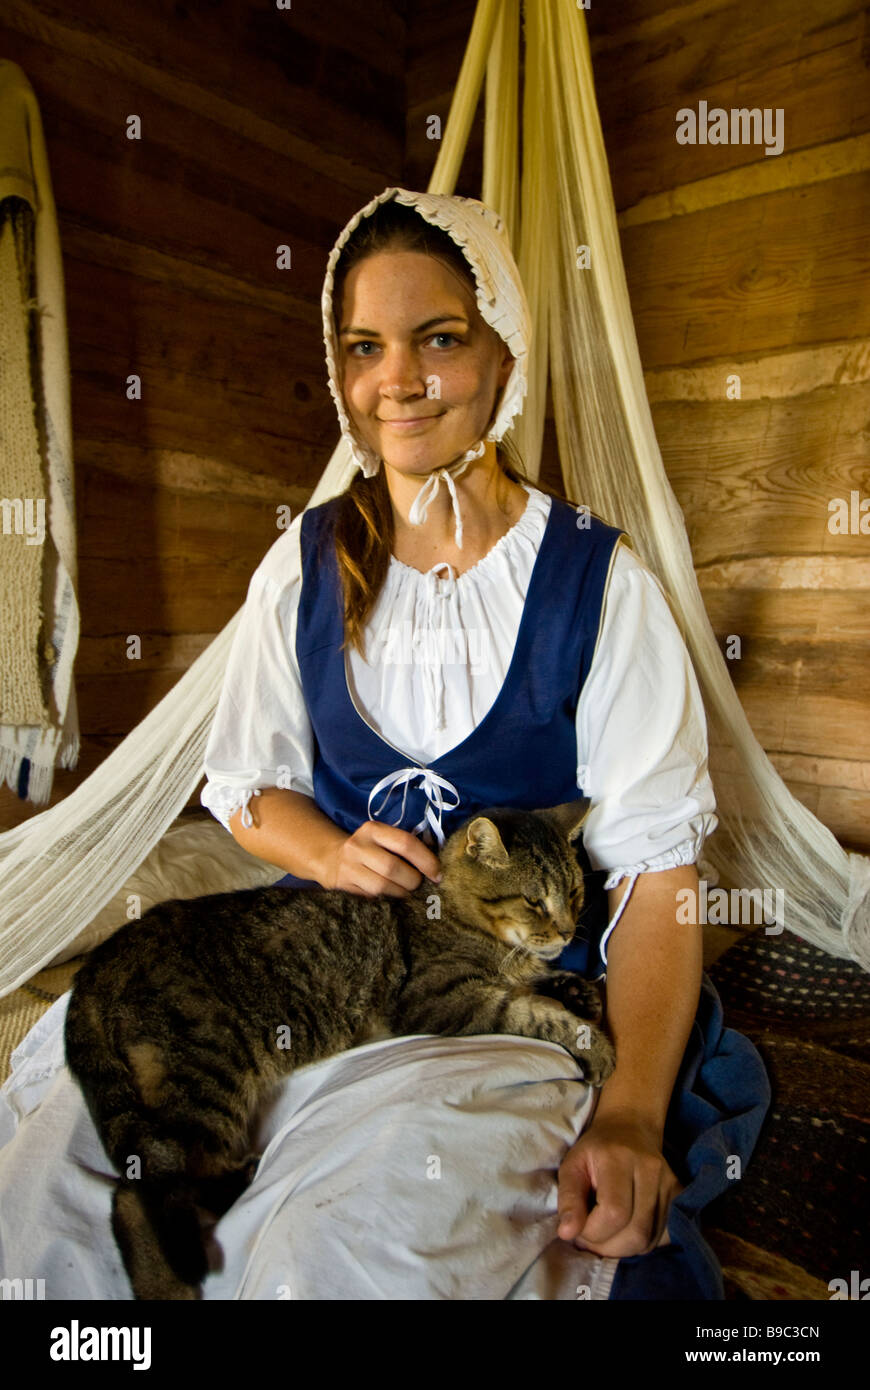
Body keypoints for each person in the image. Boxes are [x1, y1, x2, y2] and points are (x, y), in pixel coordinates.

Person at [0, 188, 766, 1301]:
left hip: (480, 1024)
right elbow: (247, 786)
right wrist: (327, 853)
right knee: (47, 1189)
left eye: (438, 339)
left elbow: (660, 873)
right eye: (365, 347)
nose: (396, 380)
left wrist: (637, 1111)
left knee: (330, 1258)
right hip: (298, 985)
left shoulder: (599, 583)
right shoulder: (305, 565)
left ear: (504, 358)